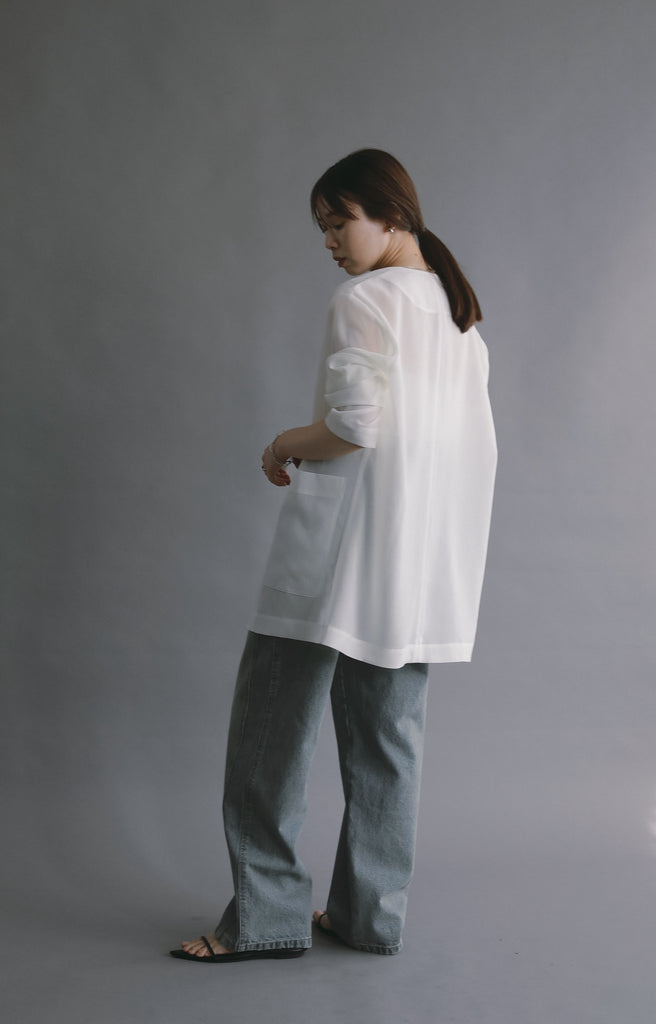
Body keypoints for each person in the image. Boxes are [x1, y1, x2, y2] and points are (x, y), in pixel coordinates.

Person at [170, 149, 497, 963]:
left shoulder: (365, 298)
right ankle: (368, 917)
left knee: (269, 734)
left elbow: (353, 426)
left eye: (337, 222)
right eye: (321, 228)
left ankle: (266, 920)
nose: (328, 243)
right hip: (412, 568)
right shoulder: (458, 317)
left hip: (336, 556)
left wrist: (282, 443)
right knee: (389, 742)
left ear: (391, 213)